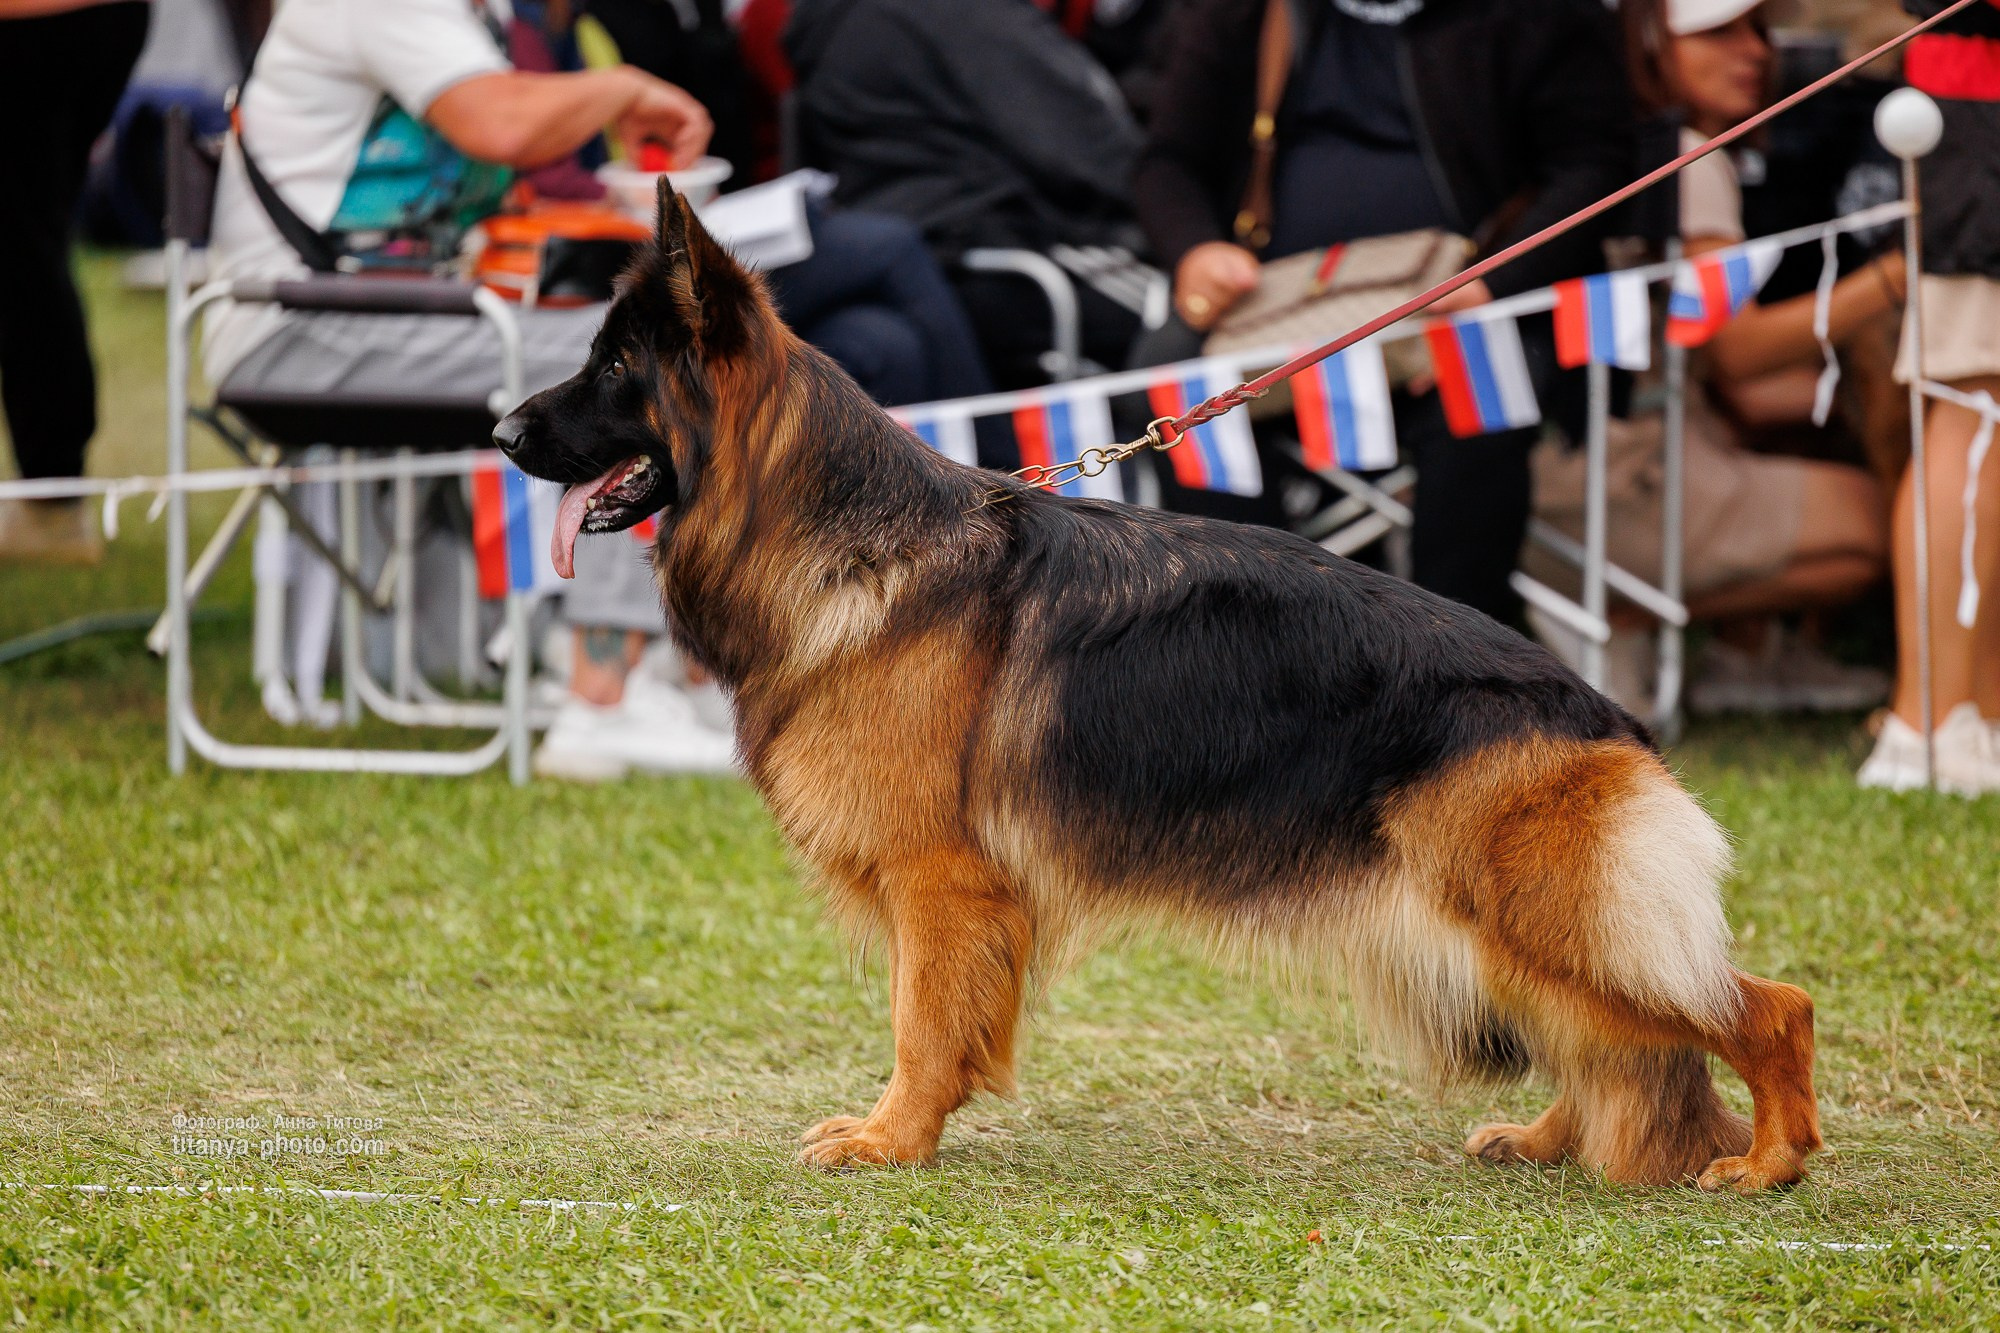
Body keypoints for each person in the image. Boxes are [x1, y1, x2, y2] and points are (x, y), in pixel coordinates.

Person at [1133, 0, 1637, 624]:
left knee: (1482, 383)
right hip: (1276, 304)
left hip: (1466, 301)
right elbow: (1168, 162)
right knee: (1168, 376)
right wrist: (1196, 251)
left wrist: (1497, 282)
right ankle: (1260, 640)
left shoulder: (1537, 14)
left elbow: (1596, 164)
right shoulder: (1241, 13)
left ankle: (1459, 658)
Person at [1531, 0, 1901, 714]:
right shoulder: (1690, 161)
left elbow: (1749, 391)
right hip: (1615, 480)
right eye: (1718, 32)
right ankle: (1621, 617)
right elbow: (1741, 354)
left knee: (1796, 438)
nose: (1754, 52)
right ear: (1646, 46)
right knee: (1883, 527)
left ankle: (1749, 656)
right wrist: (1895, 277)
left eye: (1759, 30)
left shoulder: (1618, 144)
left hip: (1572, 467)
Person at [784, 0, 1150, 385]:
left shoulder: (828, 19)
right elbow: (1085, 148)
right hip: (1009, 260)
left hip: (919, 265)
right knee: (1183, 309)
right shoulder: (966, 14)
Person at [1858, 0, 2000, 793]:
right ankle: (1927, 724)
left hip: (1972, 102)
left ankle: (1975, 713)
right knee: (1977, 400)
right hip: (1980, 103)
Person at [0, 0, 152, 564]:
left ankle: (52, 502)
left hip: (39, 28)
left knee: (24, 249)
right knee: (30, 243)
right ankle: (51, 495)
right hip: (101, 22)